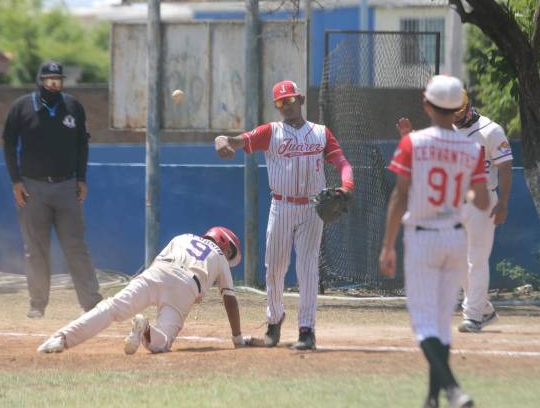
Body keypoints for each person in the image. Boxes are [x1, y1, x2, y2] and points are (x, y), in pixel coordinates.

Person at [214, 80, 354, 350]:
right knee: (275, 269)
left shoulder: (321, 133)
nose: (285, 107)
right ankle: (274, 324)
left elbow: (342, 163)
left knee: (308, 269)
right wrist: (221, 139)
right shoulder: (272, 132)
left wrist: (347, 186)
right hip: (281, 206)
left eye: (289, 100)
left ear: (300, 99)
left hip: (313, 208)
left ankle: (306, 330)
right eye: (280, 103)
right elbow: (238, 140)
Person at [380, 75, 489, 408]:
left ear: (426, 105)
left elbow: (400, 196)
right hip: (457, 237)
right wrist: (463, 191)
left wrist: (387, 245)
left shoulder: (413, 142)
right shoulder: (473, 147)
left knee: (424, 323)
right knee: (442, 324)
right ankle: (432, 399)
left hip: (423, 237)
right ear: (458, 109)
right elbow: (483, 202)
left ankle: (454, 389)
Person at [37, 227, 251, 354]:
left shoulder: (182, 237)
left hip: (158, 271)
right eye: (229, 249)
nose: (227, 254)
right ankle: (146, 327)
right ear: (223, 243)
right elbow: (229, 299)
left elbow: (156, 262)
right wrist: (237, 337)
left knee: (112, 307)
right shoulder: (220, 257)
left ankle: (61, 338)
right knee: (163, 343)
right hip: (186, 286)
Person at [2, 60, 102, 318]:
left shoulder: (73, 106)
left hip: (67, 186)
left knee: (76, 246)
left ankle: (91, 303)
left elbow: (83, 145)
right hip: (31, 188)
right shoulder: (21, 107)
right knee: (35, 250)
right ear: (40, 82)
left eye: (58, 81)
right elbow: (8, 145)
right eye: (49, 80)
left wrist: (82, 178)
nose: (54, 85)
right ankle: (37, 305)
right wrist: (16, 181)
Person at [453, 91, 513, 333]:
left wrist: (503, 202)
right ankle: (485, 310)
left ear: (469, 107)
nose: (455, 119)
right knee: (457, 261)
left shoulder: (491, 130)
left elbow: (506, 168)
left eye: (458, 114)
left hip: (483, 199)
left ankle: (474, 315)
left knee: (476, 259)